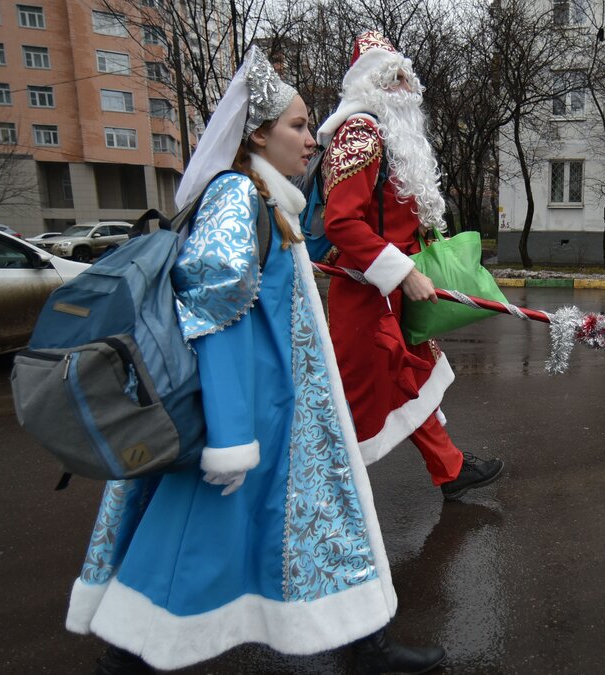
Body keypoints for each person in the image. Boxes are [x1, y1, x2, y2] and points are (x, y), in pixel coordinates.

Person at [63, 46, 445, 675]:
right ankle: (128, 657)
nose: (310, 139)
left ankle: (364, 643)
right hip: (253, 422)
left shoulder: (268, 201)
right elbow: (215, 321)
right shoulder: (238, 197)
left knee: (320, 524)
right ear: (258, 133)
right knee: (196, 537)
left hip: (284, 413)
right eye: (297, 125)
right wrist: (232, 438)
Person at [318, 31, 504, 501]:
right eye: (393, 78)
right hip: (367, 293)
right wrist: (402, 271)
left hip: (391, 292)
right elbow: (341, 221)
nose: (406, 88)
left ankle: (451, 468)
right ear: (369, 85)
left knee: (411, 376)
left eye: (407, 77)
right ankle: (325, 500)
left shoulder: (389, 134)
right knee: (358, 399)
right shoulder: (361, 132)